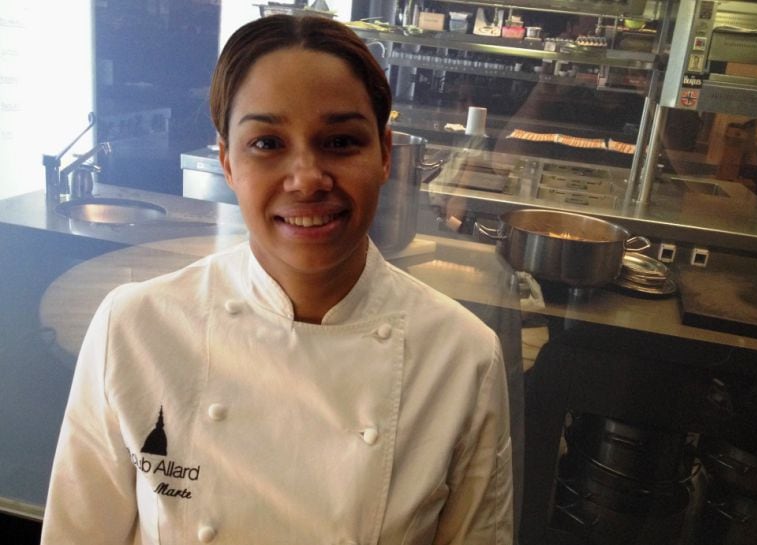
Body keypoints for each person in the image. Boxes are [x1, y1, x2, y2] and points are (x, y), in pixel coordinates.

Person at [41, 14, 513, 545]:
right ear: (226, 160)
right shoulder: (134, 330)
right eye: (267, 143)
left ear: (384, 154)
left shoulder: (462, 358)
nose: (308, 178)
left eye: (340, 141)